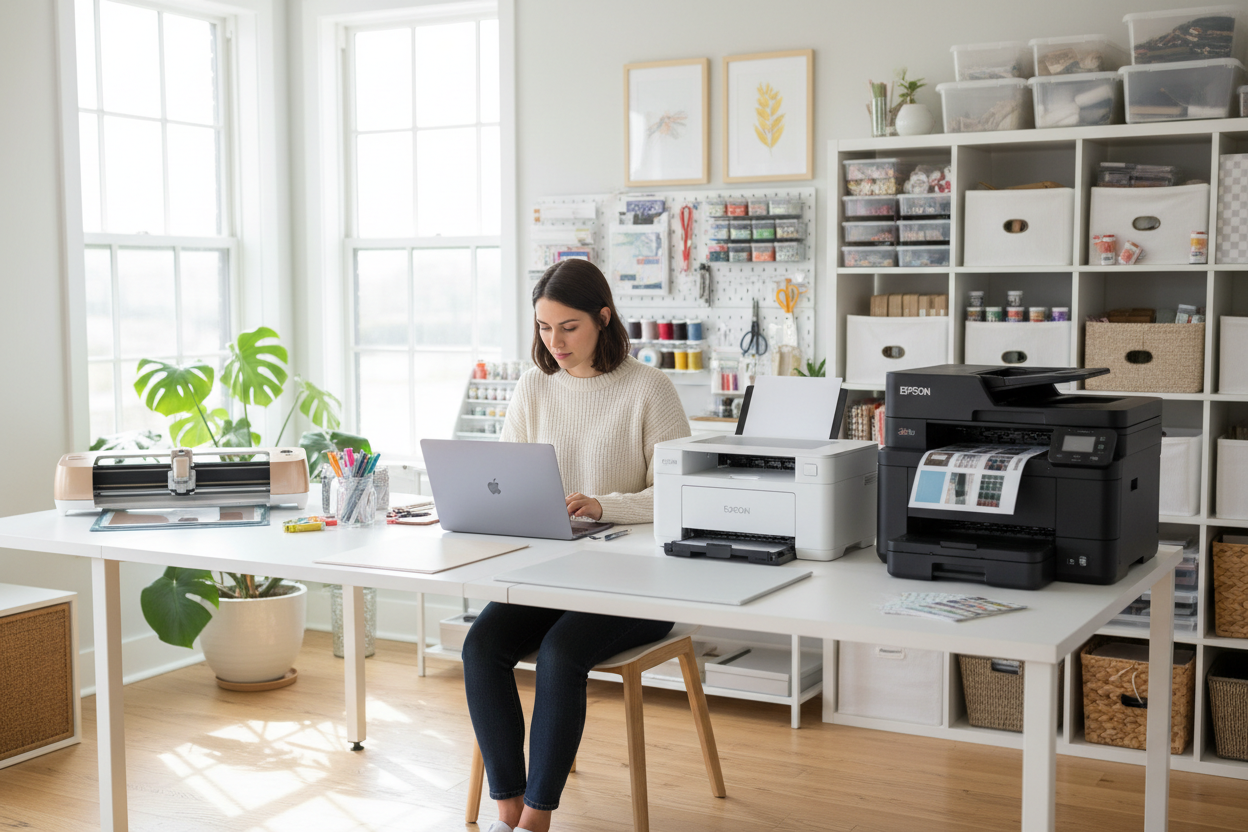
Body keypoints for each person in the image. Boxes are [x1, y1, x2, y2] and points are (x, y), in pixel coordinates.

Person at [461, 258, 691, 832]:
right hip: (550, 575)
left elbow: (680, 494)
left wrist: (604, 505)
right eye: (544, 327)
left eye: (568, 327)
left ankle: (537, 819)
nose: (555, 342)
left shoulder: (650, 388)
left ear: (603, 318)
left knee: (561, 656)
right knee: (480, 646)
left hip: (636, 586)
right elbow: (504, 476)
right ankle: (507, 808)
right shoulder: (534, 386)